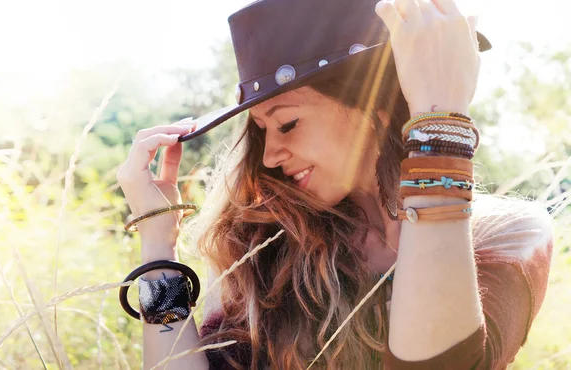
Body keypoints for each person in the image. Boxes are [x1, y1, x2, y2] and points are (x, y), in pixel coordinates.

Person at [116, 0, 555, 368]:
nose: (268, 156)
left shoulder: (508, 235)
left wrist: (439, 120)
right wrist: (158, 245)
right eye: (262, 130)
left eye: (288, 123)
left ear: (374, 105)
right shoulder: (264, 242)